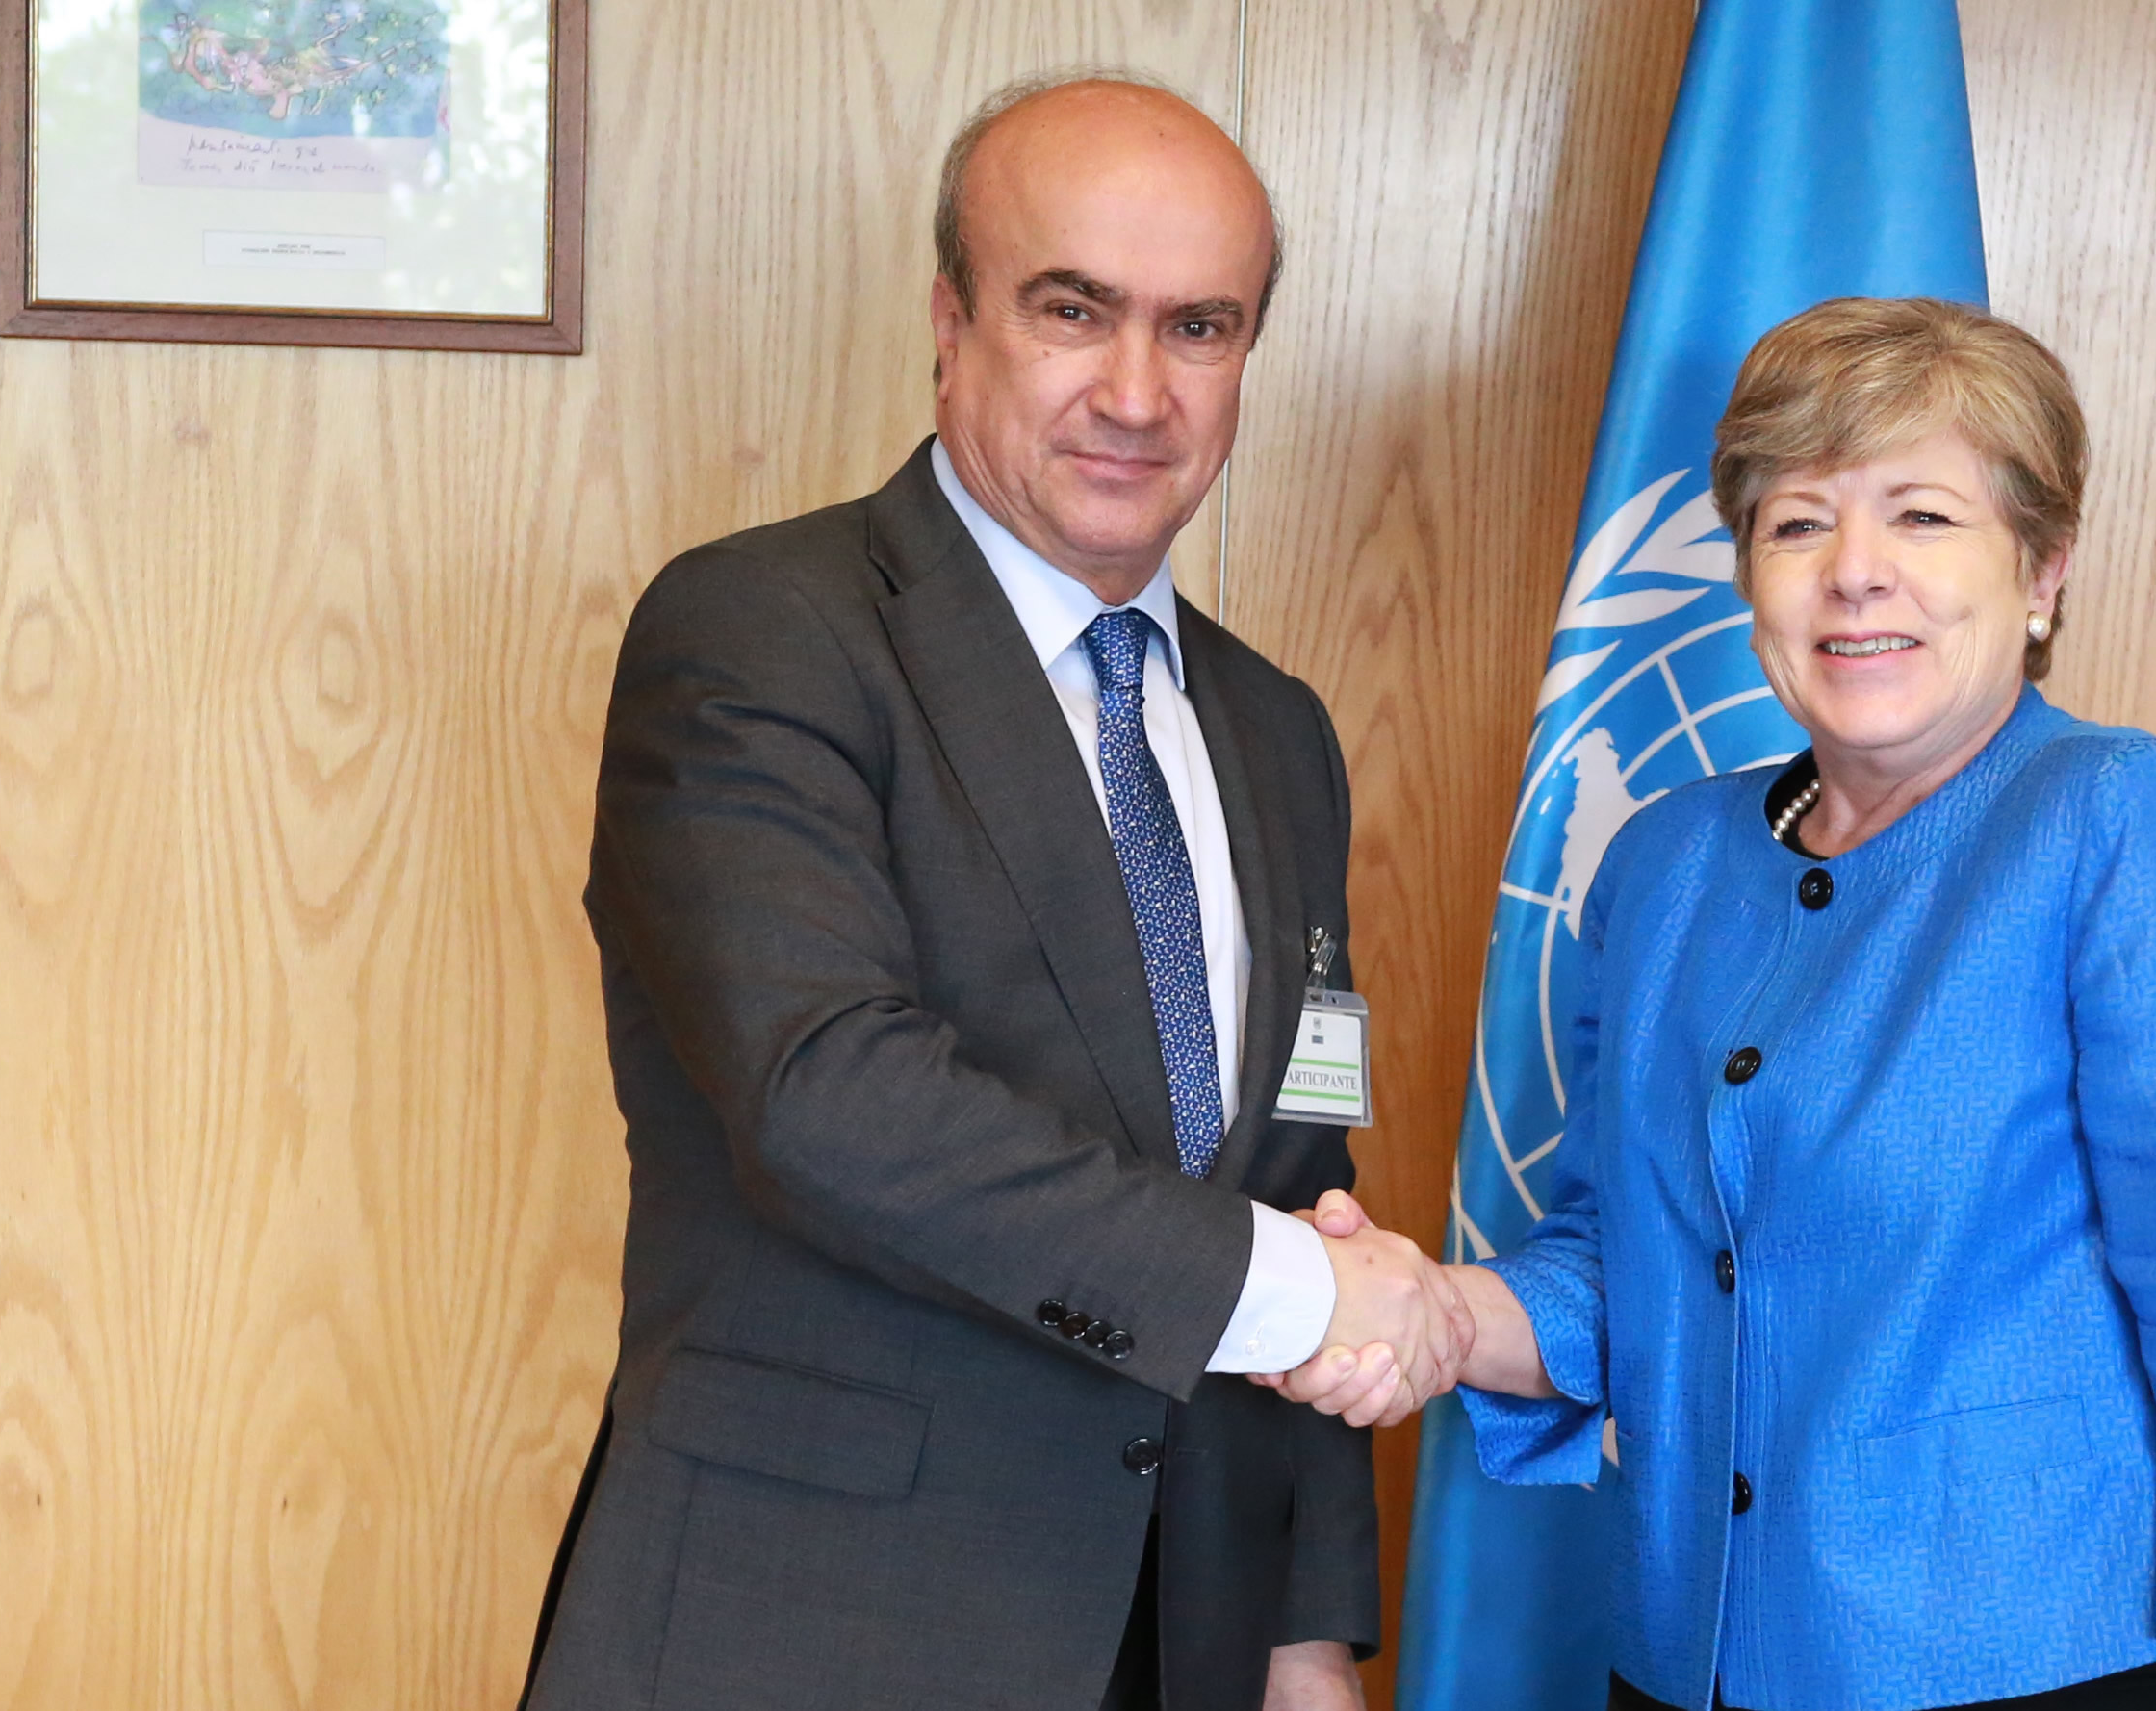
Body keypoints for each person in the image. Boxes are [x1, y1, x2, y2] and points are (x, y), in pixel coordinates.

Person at [521, 74, 1472, 1711]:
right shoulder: (762, 634)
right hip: (818, 1630)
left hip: (1184, 1642)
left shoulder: (1279, 728)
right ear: (950, 321)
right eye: (1072, 308)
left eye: (1199, 328)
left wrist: (1308, 1630)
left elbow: (1302, 1156)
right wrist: (1315, 1294)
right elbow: (830, 1093)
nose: (1133, 390)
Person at [1278, 298, 2156, 1711]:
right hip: (1685, 1663)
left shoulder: (2122, 822)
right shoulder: (1663, 861)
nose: (1855, 574)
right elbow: (1625, 1261)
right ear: (1747, 575)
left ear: (2043, 568)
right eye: (1797, 524)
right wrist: (1438, 1312)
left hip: (2028, 1670)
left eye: (1920, 516)